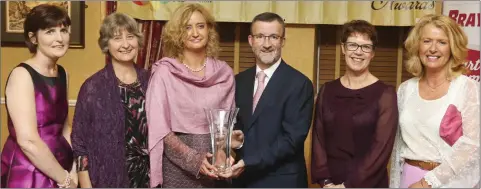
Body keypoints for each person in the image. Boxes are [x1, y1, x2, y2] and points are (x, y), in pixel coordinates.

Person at [146, 3, 239, 188]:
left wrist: (225, 155)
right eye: (187, 27)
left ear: (209, 30)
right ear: (177, 34)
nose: (195, 33)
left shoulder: (224, 73)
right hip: (177, 170)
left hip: (215, 170)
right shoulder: (165, 73)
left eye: (201, 26)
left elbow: (226, 128)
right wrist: (194, 160)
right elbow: (160, 131)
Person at [221, 12, 314, 188]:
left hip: (283, 181)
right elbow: (240, 129)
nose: (266, 44)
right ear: (251, 40)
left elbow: (292, 139)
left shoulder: (300, 84)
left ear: (283, 41)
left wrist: (248, 162)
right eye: (260, 36)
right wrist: (235, 142)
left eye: (273, 37)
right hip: (243, 181)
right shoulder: (238, 81)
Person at [389, 14, 480, 188]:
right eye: (427, 41)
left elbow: (472, 144)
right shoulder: (405, 89)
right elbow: (397, 144)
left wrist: (427, 183)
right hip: (409, 178)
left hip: (450, 181)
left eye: (441, 42)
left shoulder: (466, 87)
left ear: (452, 48)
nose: (433, 48)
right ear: (417, 46)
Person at [310, 20, 398, 188]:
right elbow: (318, 140)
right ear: (343, 48)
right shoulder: (327, 90)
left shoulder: (385, 93)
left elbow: (381, 149)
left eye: (365, 47)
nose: (358, 52)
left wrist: (348, 185)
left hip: (368, 183)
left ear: (373, 53)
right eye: (352, 45)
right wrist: (326, 182)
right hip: (330, 183)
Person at [1, 4, 77, 188]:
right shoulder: (22, 75)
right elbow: (28, 141)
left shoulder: (63, 73)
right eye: (50, 31)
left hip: (60, 166)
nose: (60, 38)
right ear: (33, 38)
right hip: (28, 171)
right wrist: (65, 180)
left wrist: (74, 168)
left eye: (64, 30)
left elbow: (64, 127)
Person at [71, 13, 150, 187]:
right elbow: (79, 143)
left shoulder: (151, 80)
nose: (125, 44)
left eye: (130, 37)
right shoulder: (92, 87)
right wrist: (85, 185)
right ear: (106, 44)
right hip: (108, 177)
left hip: (149, 177)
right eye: (117, 38)